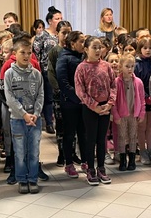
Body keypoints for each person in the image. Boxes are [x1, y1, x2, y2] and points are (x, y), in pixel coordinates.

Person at [4, 38, 44, 194]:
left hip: (35, 119)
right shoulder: (9, 74)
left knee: (34, 151)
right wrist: (23, 114)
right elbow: (9, 98)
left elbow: (40, 95)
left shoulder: (36, 74)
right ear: (15, 54)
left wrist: (36, 114)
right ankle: (21, 179)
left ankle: (33, 179)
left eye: (29, 53)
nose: (26, 56)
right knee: (20, 152)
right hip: (18, 120)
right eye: (23, 52)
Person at [75, 36, 116, 186]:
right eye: (94, 47)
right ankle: (90, 169)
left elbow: (113, 85)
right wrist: (94, 106)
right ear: (86, 49)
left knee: (101, 139)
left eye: (100, 47)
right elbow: (80, 90)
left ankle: (101, 168)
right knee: (90, 139)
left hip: (105, 107)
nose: (98, 50)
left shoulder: (106, 66)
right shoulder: (82, 68)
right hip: (90, 107)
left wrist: (110, 103)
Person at [57, 31, 87, 179]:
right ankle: (68, 163)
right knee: (69, 134)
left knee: (84, 133)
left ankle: (86, 161)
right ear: (72, 43)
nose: (84, 44)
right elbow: (63, 82)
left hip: (84, 103)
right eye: (81, 41)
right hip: (69, 103)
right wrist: (77, 97)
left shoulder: (83, 57)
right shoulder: (64, 58)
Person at [112, 54, 145, 171]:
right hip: (121, 115)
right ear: (121, 66)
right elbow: (113, 101)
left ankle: (132, 160)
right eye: (127, 66)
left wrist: (141, 113)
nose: (130, 69)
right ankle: (122, 160)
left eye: (132, 66)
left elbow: (142, 99)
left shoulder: (138, 82)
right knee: (121, 136)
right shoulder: (116, 82)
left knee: (133, 136)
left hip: (133, 114)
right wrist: (116, 115)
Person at [47, 20, 72, 167]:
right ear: (57, 34)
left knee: (73, 127)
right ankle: (62, 154)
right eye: (64, 33)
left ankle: (72, 154)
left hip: (73, 96)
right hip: (60, 96)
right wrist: (59, 90)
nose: (66, 35)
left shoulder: (75, 51)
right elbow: (51, 73)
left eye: (69, 32)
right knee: (61, 126)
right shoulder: (54, 52)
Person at [32, 7, 61, 134]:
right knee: (49, 97)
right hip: (46, 70)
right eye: (57, 18)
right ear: (50, 21)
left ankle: (60, 122)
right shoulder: (42, 35)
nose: (59, 20)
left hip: (61, 69)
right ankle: (49, 123)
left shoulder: (62, 34)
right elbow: (36, 53)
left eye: (61, 18)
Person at [134, 37, 151, 165]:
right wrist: (145, 96)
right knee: (141, 126)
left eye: (150, 48)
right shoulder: (136, 64)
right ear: (140, 49)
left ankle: (150, 150)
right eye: (145, 48)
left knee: (150, 127)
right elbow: (136, 83)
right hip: (141, 99)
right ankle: (142, 151)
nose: (148, 50)